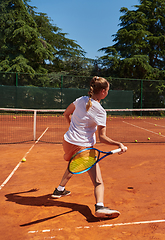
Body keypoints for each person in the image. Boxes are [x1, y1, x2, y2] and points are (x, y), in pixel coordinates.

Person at [51, 76, 127, 219]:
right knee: (98, 181)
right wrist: (119, 144)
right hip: (84, 147)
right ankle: (99, 206)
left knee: (74, 163)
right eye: (108, 90)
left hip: (67, 142)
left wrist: (73, 130)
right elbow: (102, 138)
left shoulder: (80, 100)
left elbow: (66, 114)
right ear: (103, 92)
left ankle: (59, 189)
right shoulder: (100, 111)